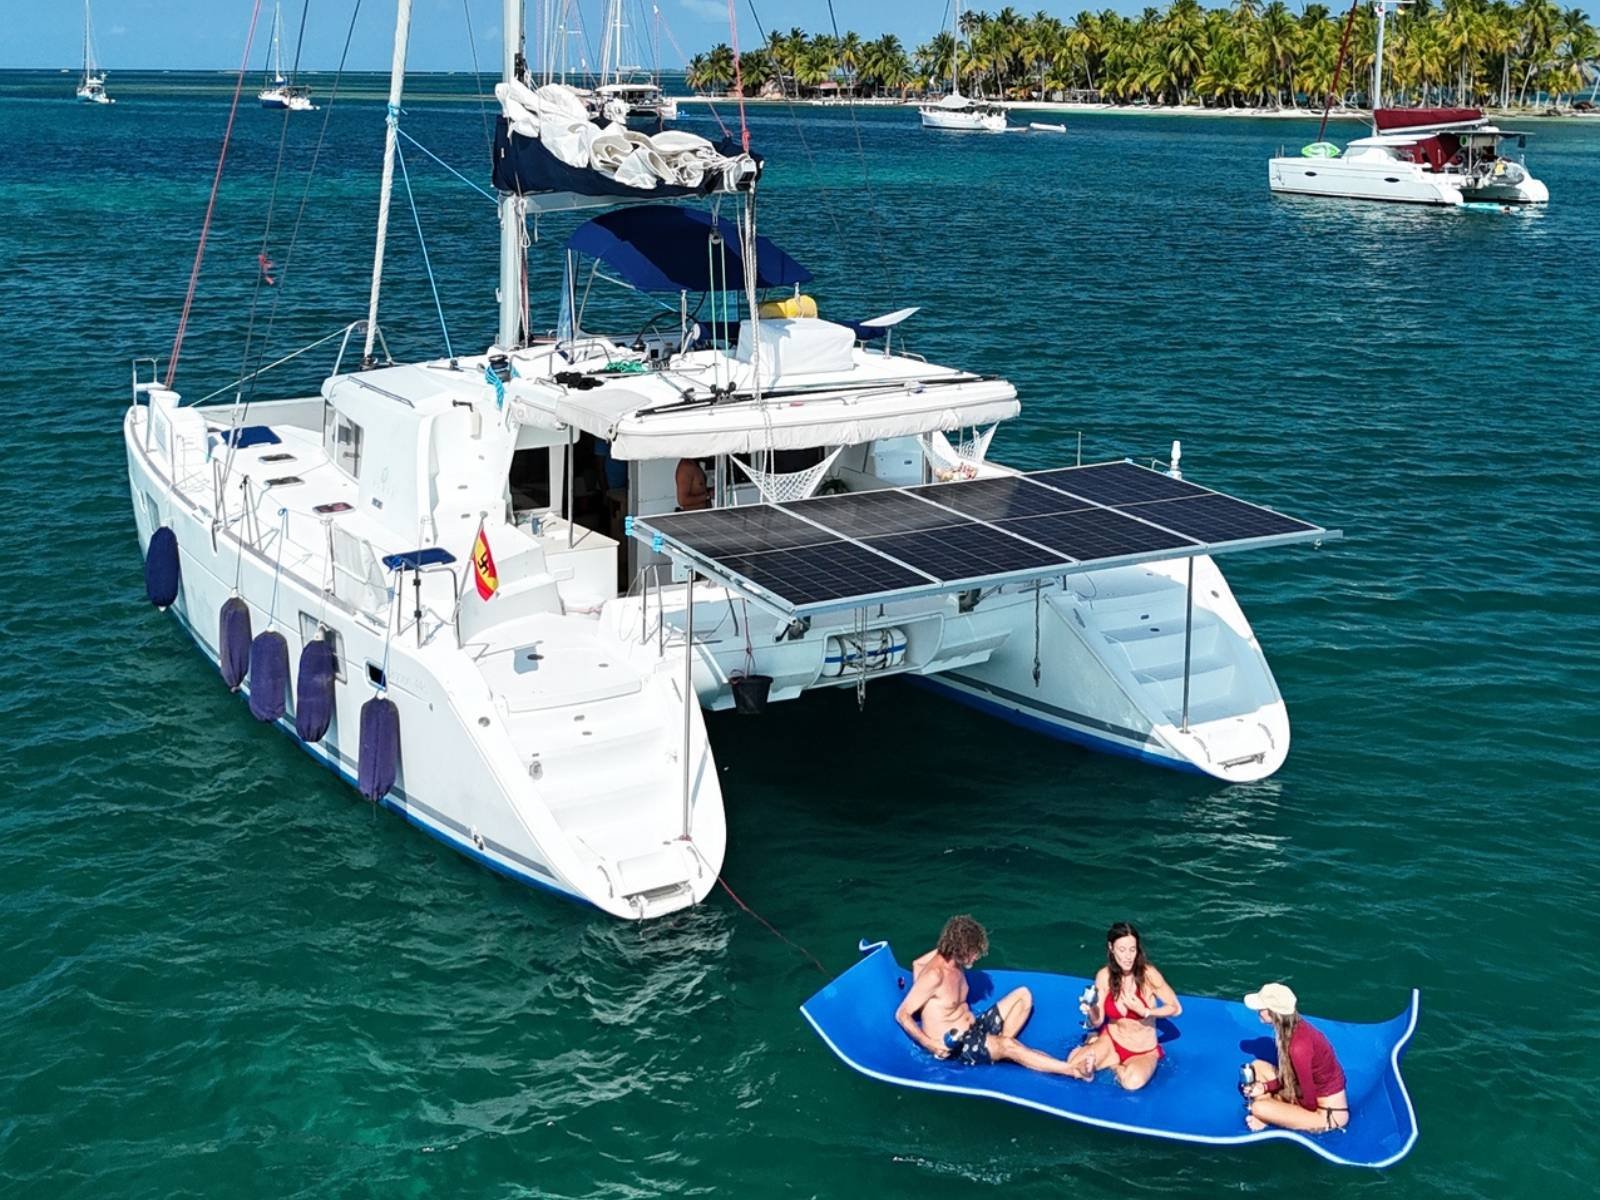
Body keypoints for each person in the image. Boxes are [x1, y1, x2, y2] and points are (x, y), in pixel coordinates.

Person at [895, 915, 1077, 1075]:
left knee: (1023, 995)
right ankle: (1070, 1069)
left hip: (975, 1029)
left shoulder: (951, 961)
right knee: (1008, 1045)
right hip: (958, 1048)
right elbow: (902, 1014)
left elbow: (916, 963)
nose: (976, 957)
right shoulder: (935, 976)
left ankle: (1004, 1049)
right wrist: (930, 1044)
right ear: (959, 949)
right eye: (973, 952)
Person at [1063, 922, 1181, 1090]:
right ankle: (1100, 1050)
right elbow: (1098, 1021)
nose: (1128, 957)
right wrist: (1092, 1009)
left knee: (1132, 1083)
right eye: (1122, 950)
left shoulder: (1148, 975)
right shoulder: (1104, 976)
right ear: (1111, 948)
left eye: (1132, 950)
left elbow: (1176, 1008)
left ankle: (1113, 1066)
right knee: (1074, 1066)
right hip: (1112, 1041)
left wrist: (1146, 1012)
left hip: (1143, 1051)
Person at [1239, 982, 1350, 1133]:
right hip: (1309, 1094)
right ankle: (1269, 1104)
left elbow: (1309, 1103)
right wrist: (1265, 1087)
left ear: (1273, 1012)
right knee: (1258, 1065)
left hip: (1327, 1114)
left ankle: (1266, 1113)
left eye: (1261, 1008)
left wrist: (1275, 1107)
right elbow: (1293, 1078)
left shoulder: (1298, 1048)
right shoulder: (1293, 1028)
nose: (1258, 1011)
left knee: (1258, 1108)